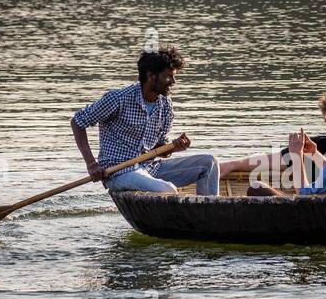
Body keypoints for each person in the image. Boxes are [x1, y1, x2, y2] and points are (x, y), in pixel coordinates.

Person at [71, 45, 220, 195]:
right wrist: (91, 164)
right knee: (167, 189)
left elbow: (159, 148)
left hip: (151, 167)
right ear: (151, 76)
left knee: (209, 163)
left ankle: (208, 214)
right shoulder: (118, 99)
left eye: (174, 76)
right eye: (168, 76)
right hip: (119, 172)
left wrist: (174, 147)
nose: (173, 81)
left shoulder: (165, 104)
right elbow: (77, 122)